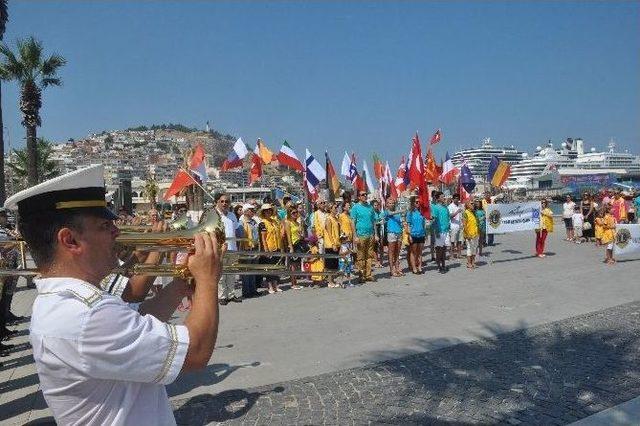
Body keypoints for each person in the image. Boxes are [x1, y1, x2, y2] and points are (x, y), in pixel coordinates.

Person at [3, 164, 222, 425]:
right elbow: (195, 353)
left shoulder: (69, 302)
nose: (117, 232)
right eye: (105, 226)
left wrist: (179, 286)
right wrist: (208, 280)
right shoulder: (86, 314)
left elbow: (135, 321)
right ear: (70, 240)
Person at [215, 192, 241, 305]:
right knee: (221, 274)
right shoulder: (215, 215)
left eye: (227, 201)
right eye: (222, 201)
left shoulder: (232, 215)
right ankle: (222, 296)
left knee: (231, 273)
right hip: (221, 249)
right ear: (217, 202)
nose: (224, 203)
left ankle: (231, 294)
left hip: (232, 248)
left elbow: (235, 230)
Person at [350, 191, 377, 283]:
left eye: (366, 194)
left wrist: (375, 234)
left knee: (369, 256)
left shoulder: (370, 207)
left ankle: (368, 275)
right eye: (362, 195)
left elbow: (373, 221)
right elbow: (353, 222)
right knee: (360, 256)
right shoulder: (355, 207)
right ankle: (361, 275)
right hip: (360, 235)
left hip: (370, 235)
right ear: (359, 197)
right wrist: (355, 236)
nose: (365, 196)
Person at [258, 204, 283, 294]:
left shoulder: (274, 221)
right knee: (269, 268)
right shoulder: (262, 223)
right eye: (266, 210)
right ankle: (270, 286)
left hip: (277, 247)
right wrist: (266, 250)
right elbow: (263, 239)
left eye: (270, 210)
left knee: (276, 267)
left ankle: (276, 285)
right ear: (263, 212)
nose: (268, 211)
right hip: (269, 248)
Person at [239, 203, 260, 298]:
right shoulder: (241, 222)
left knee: (253, 270)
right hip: (246, 248)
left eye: (253, 210)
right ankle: (246, 291)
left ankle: (253, 290)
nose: (253, 211)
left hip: (254, 247)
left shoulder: (254, 222)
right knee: (246, 271)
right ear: (246, 211)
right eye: (251, 210)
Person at [284, 207, 305, 290]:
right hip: (292, 244)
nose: (295, 214)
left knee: (297, 264)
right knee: (293, 264)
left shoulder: (297, 223)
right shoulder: (288, 223)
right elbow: (288, 236)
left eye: (296, 212)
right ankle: (293, 283)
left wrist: (301, 235)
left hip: (298, 243)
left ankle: (295, 282)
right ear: (290, 214)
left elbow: (301, 234)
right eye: (293, 213)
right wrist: (291, 247)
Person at [384, 197, 405, 277]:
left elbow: (401, 220)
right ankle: (391, 270)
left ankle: (397, 268)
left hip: (399, 232)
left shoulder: (397, 212)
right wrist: (401, 210)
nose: (391, 204)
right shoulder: (387, 211)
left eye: (392, 203)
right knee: (391, 252)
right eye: (389, 203)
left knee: (397, 252)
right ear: (387, 204)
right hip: (391, 233)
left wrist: (403, 223)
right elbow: (389, 214)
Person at [431, 191, 451, 273]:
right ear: (438, 198)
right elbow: (434, 220)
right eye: (443, 197)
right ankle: (439, 266)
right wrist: (436, 231)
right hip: (439, 231)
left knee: (444, 249)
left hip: (446, 231)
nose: (444, 198)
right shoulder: (435, 207)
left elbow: (448, 217)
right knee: (439, 249)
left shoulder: (445, 207)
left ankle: (443, 264)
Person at [406, 196, 426, 274]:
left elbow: (423, 223)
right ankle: (414, 268)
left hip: (421, 234)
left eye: (419, 202)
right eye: (416, 202)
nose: (418, 203)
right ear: (413, 203)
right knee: (413, 252)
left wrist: (425, 233)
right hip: (413, 234)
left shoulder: (421, 212)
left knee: (420, 252)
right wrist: (409, 235)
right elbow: (408, 225)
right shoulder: (410, 212)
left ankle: (420, 267)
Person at [324, 203, 341, 288]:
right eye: (335, 207)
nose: (336, 209)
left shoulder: (336, 218)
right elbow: (329, 233)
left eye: (337, 207)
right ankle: (330, 281)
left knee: (335, 263)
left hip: (337, 243)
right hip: (330, 244)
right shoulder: (328, 219)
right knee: (330, 264)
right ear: (330, 209)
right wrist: (333, 244)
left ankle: (333, 280)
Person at [462, 200, 479, 269]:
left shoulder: (474, 212)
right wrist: (467, 234)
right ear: (467, 205)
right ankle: (469, 263)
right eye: (471, 204)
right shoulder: (465, 213)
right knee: (469, 249)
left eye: (473, 204)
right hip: (469, 234)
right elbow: (464, 225)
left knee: (474, 248)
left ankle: (473, 262)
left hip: (475, 233)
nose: (473, 205)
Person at [448, 194, 464, 259]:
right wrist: (457, 211)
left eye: (458, 198)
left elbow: (462, 215)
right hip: (453, 226)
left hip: (460, 225)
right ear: (453, 199)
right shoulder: (450, 206)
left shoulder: (460, 205)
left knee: (459, 241)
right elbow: (450, 216)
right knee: (452, 242)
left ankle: (459, 254)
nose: (457, 199)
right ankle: (451, 255)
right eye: (455, 198)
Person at [372, 199, 385, 268]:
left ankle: (381, 261)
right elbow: (372, 223)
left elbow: (383, 220)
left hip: (381, 230)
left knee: (381, 246)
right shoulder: (372, 213)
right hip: (374, 231)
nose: (376, 206)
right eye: (375, 205)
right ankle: (376, 261)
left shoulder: (381, 213)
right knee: (375, 247)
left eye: (377, 205)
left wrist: (382, 221)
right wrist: (378, 222)